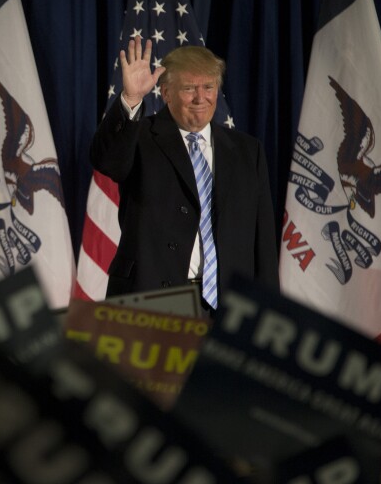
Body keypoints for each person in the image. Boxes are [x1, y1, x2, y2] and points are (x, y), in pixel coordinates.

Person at [90, 40, 278, 311]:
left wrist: (268, 312)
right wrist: (131, 99)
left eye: (208, 87)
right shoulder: (140, 137)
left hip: (230, 306)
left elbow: (263, 244)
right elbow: (107, 161)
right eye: (189, 88)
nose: (200, 98)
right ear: (166, 93)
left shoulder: (248, 151)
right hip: (152, 303)